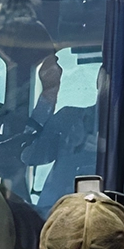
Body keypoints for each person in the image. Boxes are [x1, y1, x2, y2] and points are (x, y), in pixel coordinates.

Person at [23, 53, 101, 213]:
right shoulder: (69, 119)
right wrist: (49, 92)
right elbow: (28, 155)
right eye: (110, 77)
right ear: (99, 81)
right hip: (52, 216)